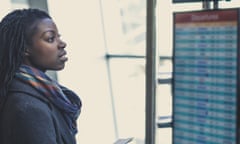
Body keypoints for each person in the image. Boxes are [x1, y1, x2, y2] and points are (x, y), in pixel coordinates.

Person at [0, 8, 82, 144]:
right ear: (24, 49)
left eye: (59, 37)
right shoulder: (28, 108)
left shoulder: (45, 95)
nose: (62, 44)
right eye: (50, 39)